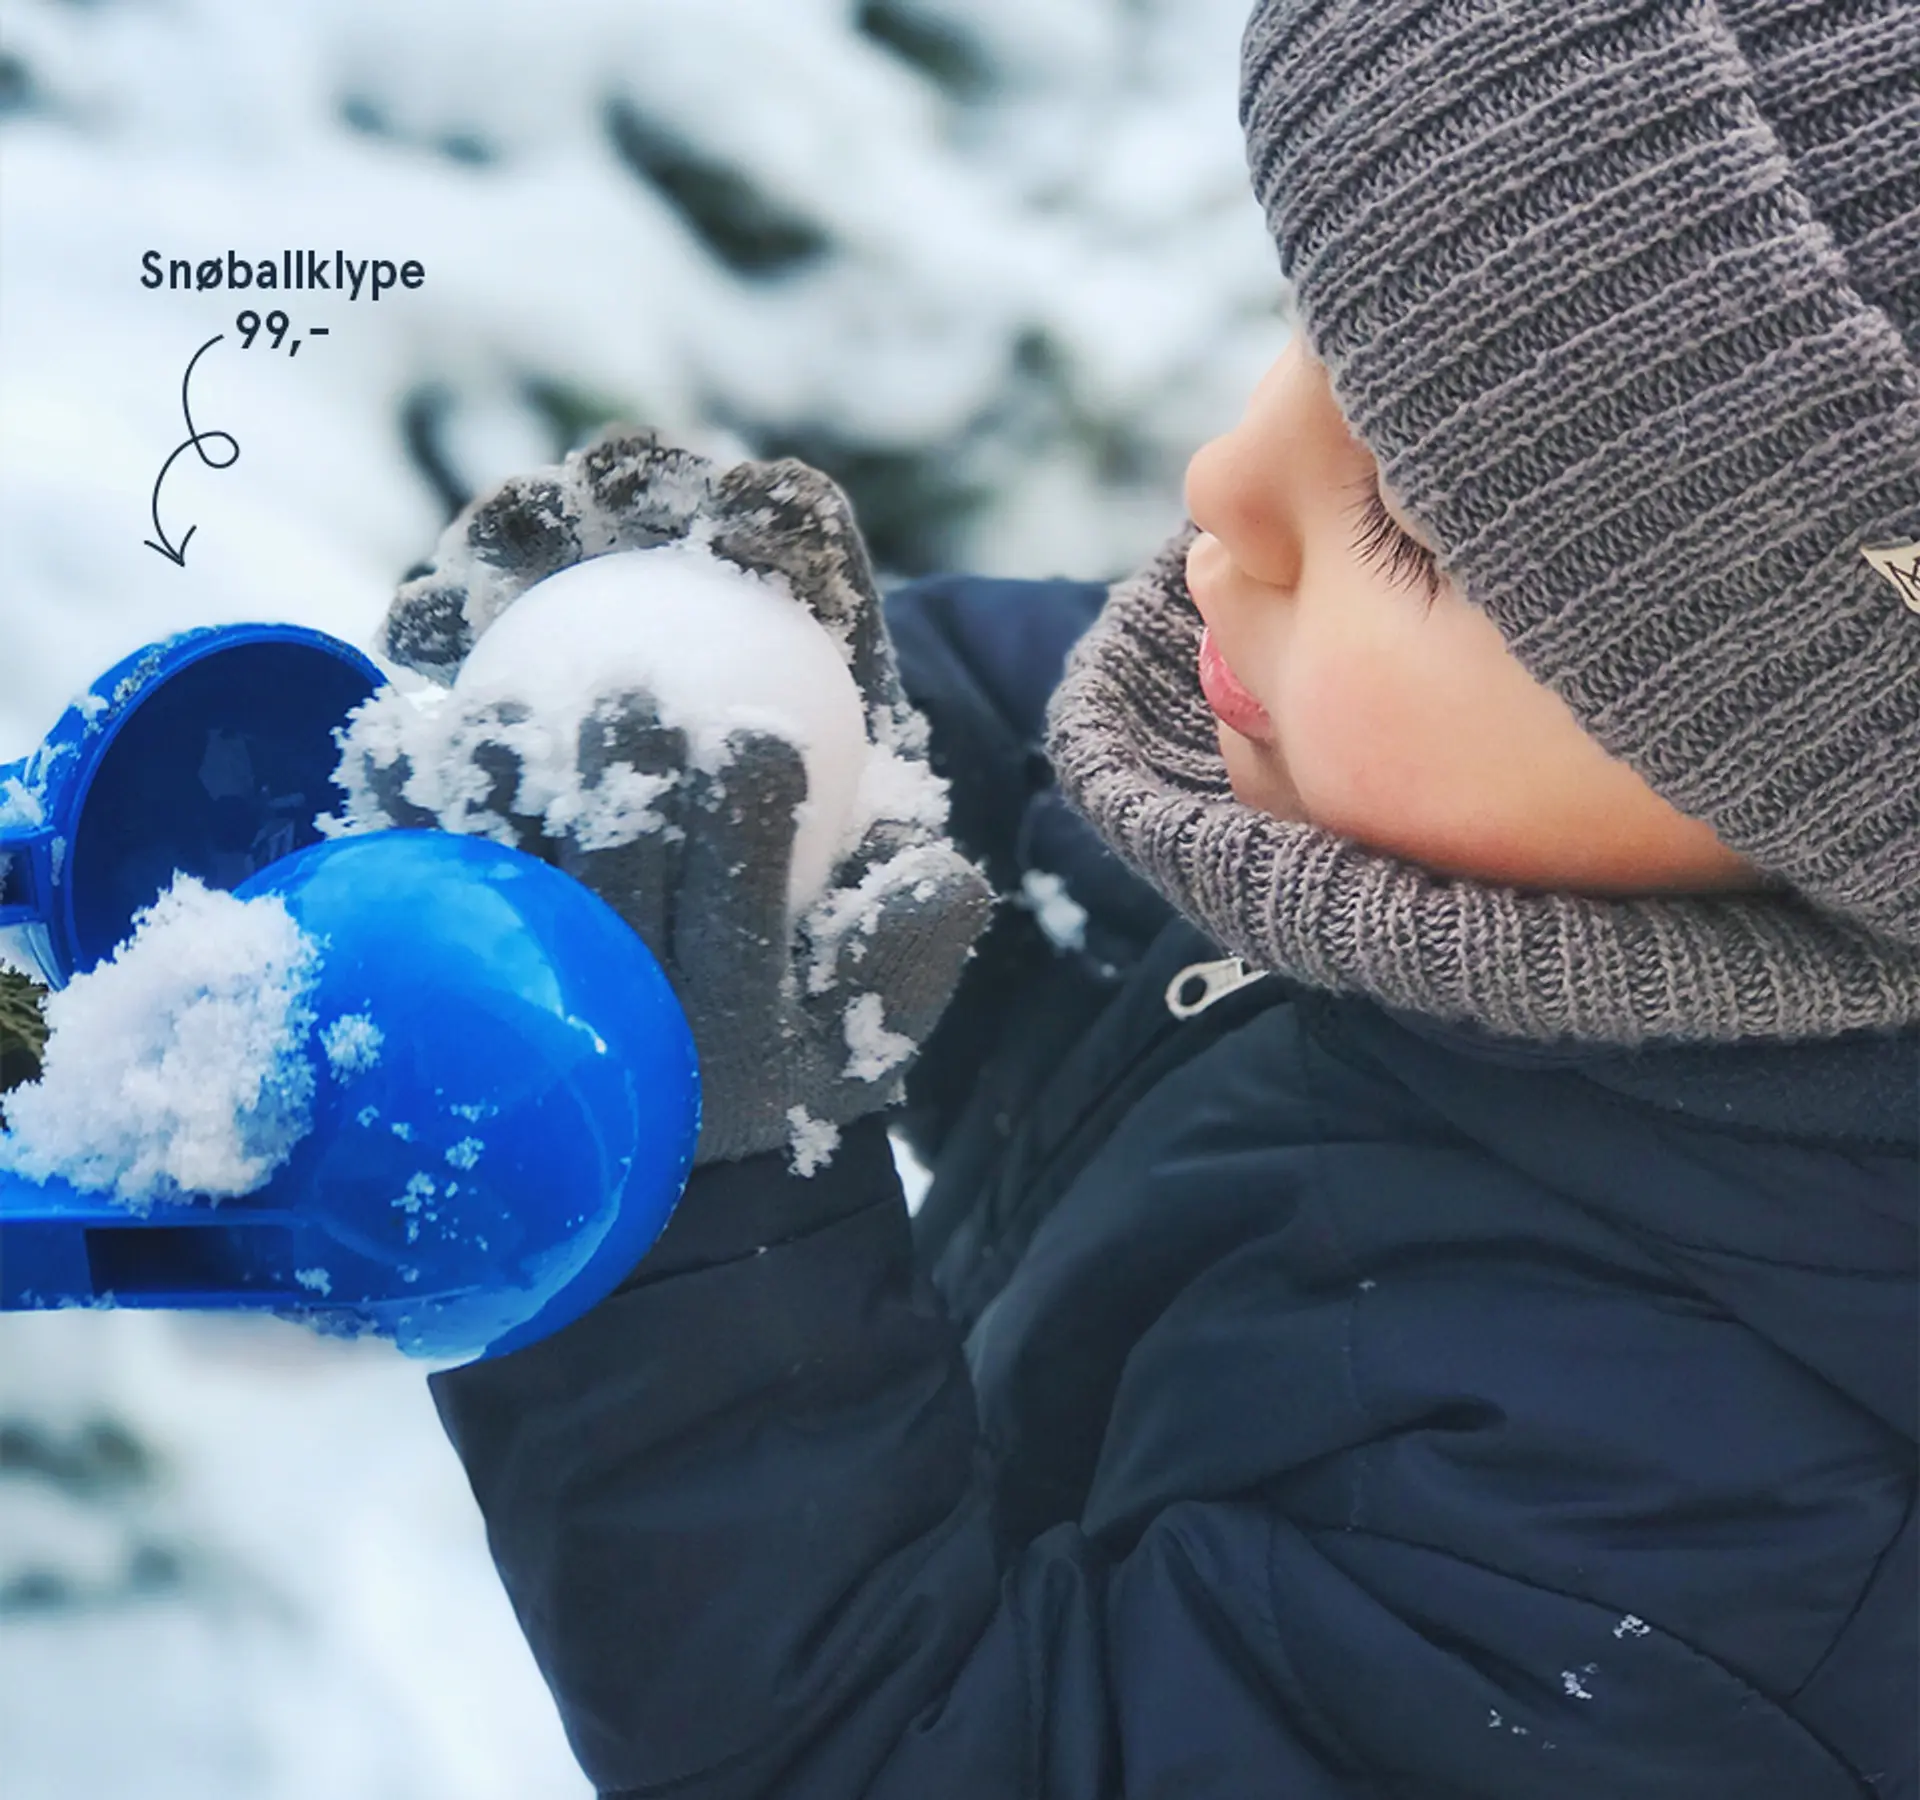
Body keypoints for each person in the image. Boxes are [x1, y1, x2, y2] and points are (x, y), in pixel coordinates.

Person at [368, 2, 1919, 1793]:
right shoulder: (1366, 819)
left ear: (1815, 774)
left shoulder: (1705, 1564)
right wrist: (804, 730)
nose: (1225, 488)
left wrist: (666, 1196)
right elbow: (1039, 817)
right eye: (1306, 337)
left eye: (1412, 516)